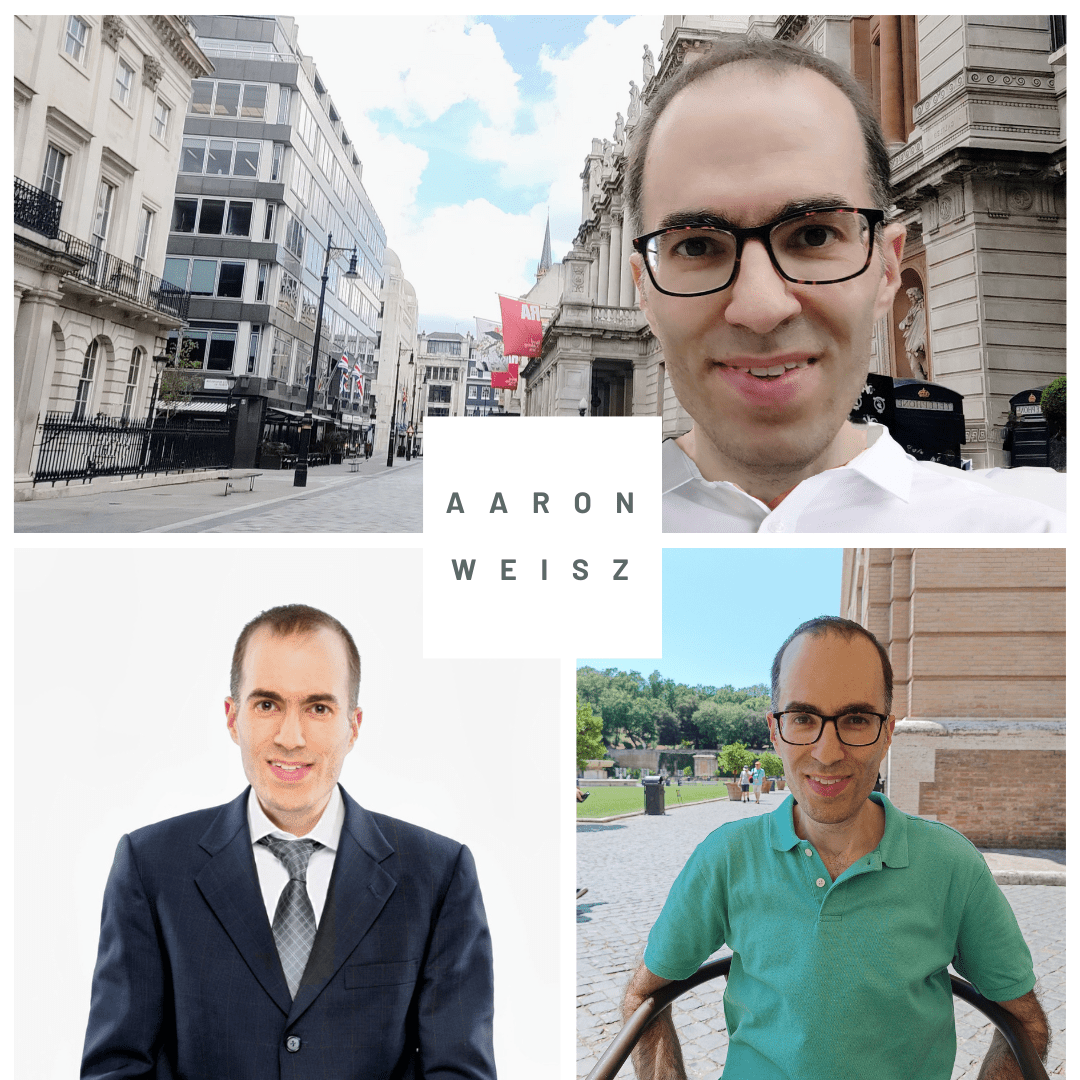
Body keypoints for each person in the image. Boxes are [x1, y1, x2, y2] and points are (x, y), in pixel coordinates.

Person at [623, 37, 1064, 532]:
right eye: (698, 246)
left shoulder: (1030, 528)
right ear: (645, 292)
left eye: (814, 235)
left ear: (888, 271)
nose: (761, 307)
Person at [622, 616, 1048, 1079]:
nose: (827, 752)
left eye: (856, 719)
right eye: (803, 718)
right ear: (773, 730)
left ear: (887, 732)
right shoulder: (726, 858)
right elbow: (643, 994)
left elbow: (1024, 1020)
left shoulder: (952, 866)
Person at [82, 604, 496, 1080]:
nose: (291, 736)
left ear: (353, 725)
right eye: (267, 705)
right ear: (232, 717)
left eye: (318, 708)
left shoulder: (437, 875)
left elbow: (458, 1072)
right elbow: (116, 1068)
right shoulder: (150, 867)